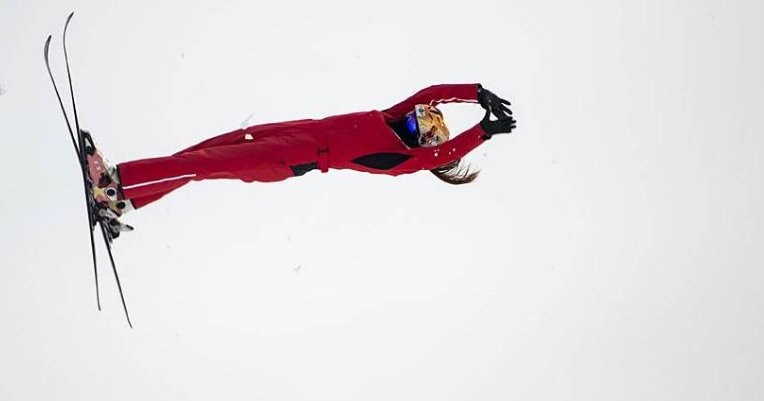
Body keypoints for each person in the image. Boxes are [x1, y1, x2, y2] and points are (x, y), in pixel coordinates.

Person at [83, 83, 516, 237]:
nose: (410, 119)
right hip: (298, 130)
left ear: (419, 145)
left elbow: (444, 153)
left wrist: (482, 131)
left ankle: (116, 182)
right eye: (416, 117)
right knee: (204, 152)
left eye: (417, 128)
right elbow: (428, 94)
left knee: (208, 164)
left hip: (292, 157)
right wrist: (474, 92)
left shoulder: (404, 159)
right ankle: (129, 200)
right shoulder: (391, 116)